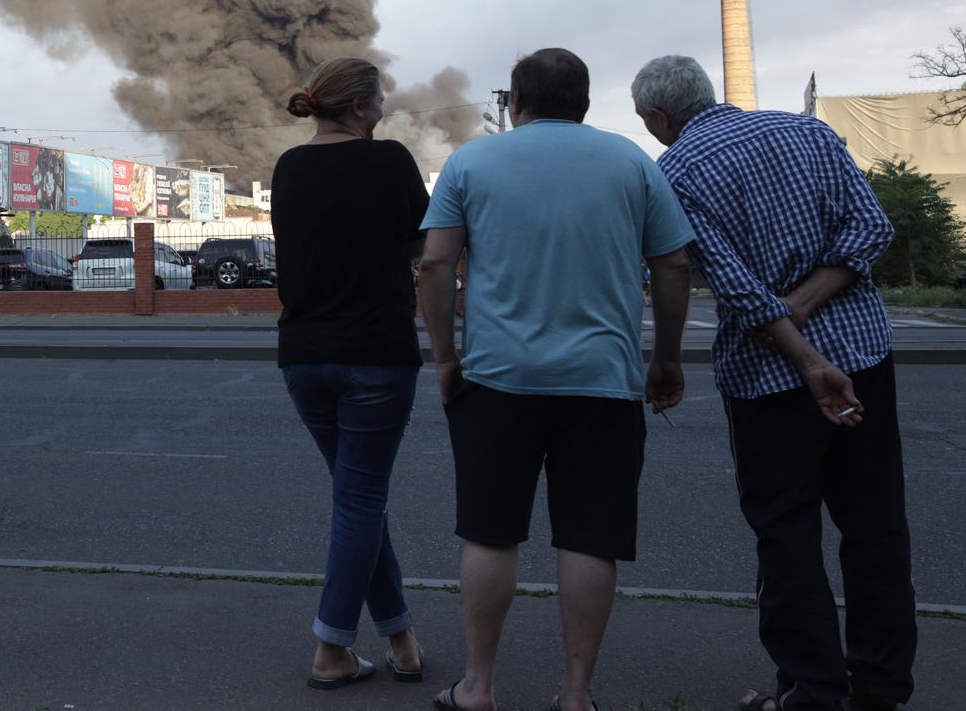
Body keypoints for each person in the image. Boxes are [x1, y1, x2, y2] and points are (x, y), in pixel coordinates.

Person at [631, 55, 915, 711]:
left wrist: (802, 343)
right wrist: (813, 300)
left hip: (769, 381)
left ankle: (813, 693)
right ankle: (881, 685)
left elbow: (736, 290)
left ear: (660, 118)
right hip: (866, 357)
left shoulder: (674, 173)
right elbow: (872, 228)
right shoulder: (808, 132)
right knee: (876, 527)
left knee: (785, 536)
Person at [417, 49, 694, 711]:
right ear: (587, 103)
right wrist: (667, 358)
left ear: (515, 102)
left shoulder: (471, 162)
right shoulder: (631, 162)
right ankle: (576, 694)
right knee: (590, 537)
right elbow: (674, 266)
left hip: (496, 379)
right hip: (603, 382)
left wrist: (446, 357)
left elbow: (434, 266)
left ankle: (478, 687)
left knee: (490, 532)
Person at [270, 57, 430, 690]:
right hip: (375, 355)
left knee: (357, 498)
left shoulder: (288, 167)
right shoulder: (389, 161)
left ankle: (403, 639)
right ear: (362, 106)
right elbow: (422, 243)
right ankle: (330, 648)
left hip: (304, 356)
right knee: (360, 500)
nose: (386, 104)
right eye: (381, 95)